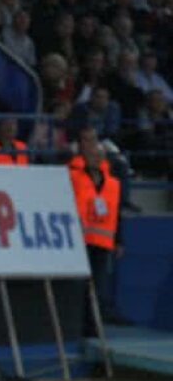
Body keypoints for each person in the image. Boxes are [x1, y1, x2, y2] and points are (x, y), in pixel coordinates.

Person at [68, 140, 122, 333]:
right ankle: (79, 325)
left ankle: (93, 325)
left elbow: (118, 213)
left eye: (99, 156)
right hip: (81, 240)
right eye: (92, 155)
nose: (96, 159)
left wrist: (119, 240)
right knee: (80, 286)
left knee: (98, 287)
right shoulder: (75, 177)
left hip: (103, 241)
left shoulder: (113, 184)